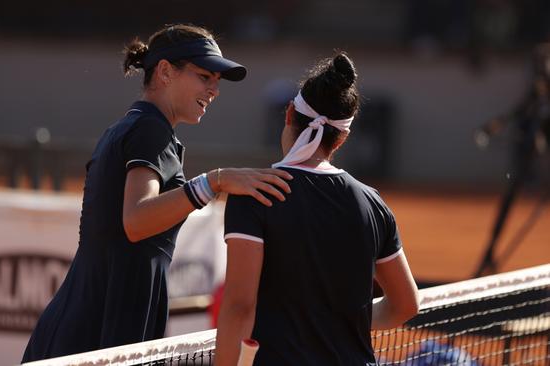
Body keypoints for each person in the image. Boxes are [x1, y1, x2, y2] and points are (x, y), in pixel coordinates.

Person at [21, 24, 293, 363]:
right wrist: (215, 181)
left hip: (96, 319)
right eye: (204, 76)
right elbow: (136, 220)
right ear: (165, 72)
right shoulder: (150, 129)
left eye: (217, 81)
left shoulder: (138, 125)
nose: (214, 90)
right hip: (100, 328)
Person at [214, 52, 419, 365]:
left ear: (289, 115)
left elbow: (240, 307)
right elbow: (406, 304)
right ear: (342, 138)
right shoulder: (372, 202)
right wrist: (342, 320)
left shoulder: (254, 193)